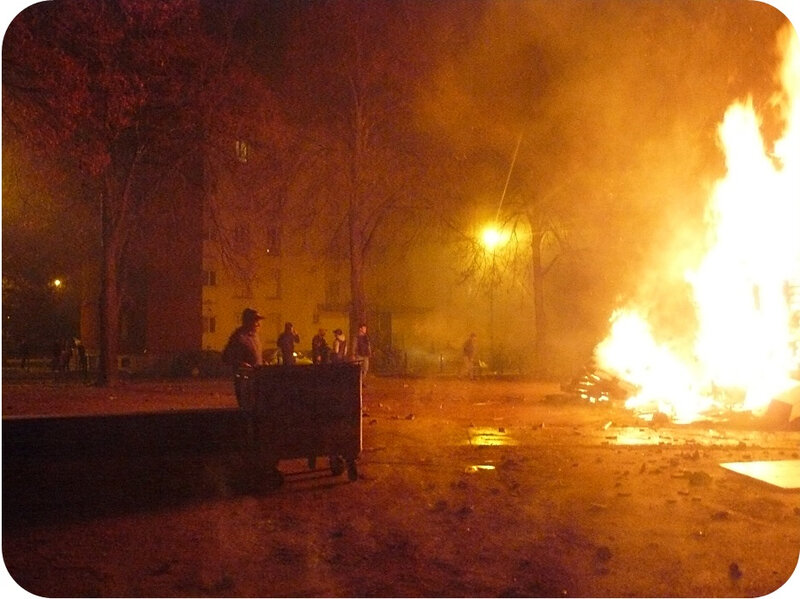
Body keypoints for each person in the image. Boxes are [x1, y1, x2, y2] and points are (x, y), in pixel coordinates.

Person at [222, 308, 265, 402]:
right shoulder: (239, 337)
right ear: (247, 321)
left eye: (259, 321)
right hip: (245, 381)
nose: (258, 324)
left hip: (256, 379)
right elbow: (226, 357)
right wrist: (241, 364)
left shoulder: (255, 336)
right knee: (247, 406)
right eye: (256, 321)